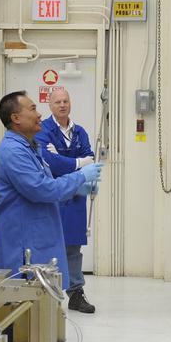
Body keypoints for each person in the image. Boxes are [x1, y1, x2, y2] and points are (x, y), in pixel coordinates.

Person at [0, 91, 102, 285]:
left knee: (47, 288)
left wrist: (77, 187)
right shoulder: (13, 152)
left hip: (35, 234)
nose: (39, 114)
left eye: (66, 101)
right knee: (23, 294)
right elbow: (42, 188)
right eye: (33, 109)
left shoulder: (30, 147)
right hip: (20, 242)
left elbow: (46, 178)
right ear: (16, 118)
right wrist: (80, 174)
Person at [39, 87, 98, 313]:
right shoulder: (43, 130)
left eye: (65, 101)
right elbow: (48, 162)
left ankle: (75, 293)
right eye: (58, 102)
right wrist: (78, 163)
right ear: (50, 105)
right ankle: (47, 295)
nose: (62, 105)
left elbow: (90, 158)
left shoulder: (80, 132)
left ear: (70, 103)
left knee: (73, 247)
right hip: (52, 196)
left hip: (75, 197)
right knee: (49, 245)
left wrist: (62, 159)